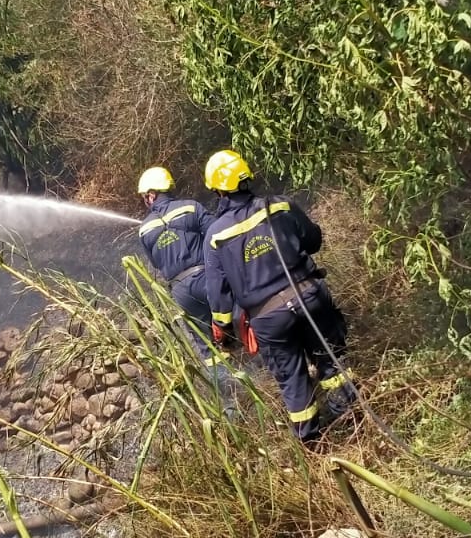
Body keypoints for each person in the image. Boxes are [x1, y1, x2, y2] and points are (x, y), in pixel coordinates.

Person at [203, 149, 353, 447]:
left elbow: (218, 292)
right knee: (332, 362)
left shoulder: (216, 235)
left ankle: (314, 446)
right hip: (309, 296)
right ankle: (352, 419)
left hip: (269, 320)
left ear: (218, 189)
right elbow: (313, 240)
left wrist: (223, 329)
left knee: (293, 382)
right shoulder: (281, 205)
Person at [136, 166, 223, 370]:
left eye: (144, 196)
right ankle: (259, 371)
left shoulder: (144, 229)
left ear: (151, 194)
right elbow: (217, 235)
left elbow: (156, 263)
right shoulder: (191, 207)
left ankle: (226, 386)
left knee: (206, 345)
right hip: (207, 277)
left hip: (180, 291)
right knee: (232, 319)